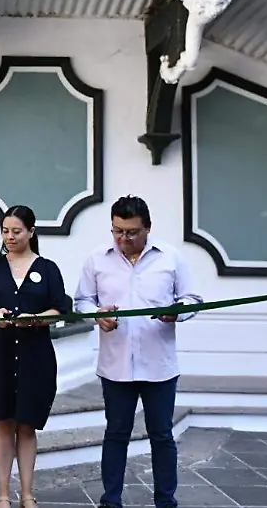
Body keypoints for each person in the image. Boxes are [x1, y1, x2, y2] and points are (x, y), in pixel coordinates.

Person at [73, 196, 202, 508]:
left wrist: (177, 312)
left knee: (161, 436)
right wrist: (97, 315)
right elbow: (82, 301)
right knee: (116, 433)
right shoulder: (97, 259)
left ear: (147, 228)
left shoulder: (170, 258)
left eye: (130, 232)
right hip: (115, 364)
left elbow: (193, 299)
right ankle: (111, 501)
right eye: (117, 231)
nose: (122, 239)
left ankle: (166, 502)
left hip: (159, 365)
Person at [0, 206, 69, 508]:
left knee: (26, 424)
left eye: (16, 231)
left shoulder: (47, 269)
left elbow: (59, 310)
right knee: (2, 422)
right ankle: (2, 494)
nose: (9, 237)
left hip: (34, 355)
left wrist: (35, 318)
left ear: (31, 232)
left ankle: (27, 493)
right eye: (5, 231)